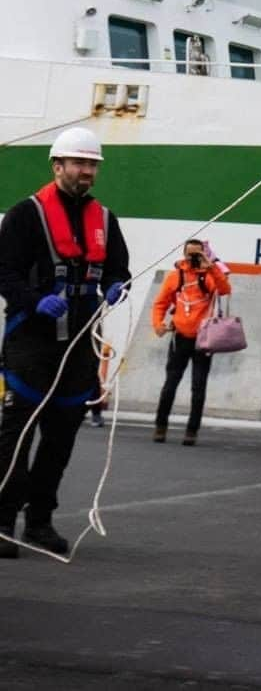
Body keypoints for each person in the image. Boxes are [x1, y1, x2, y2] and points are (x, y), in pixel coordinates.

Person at [0, 128, 130, 559]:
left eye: (92, 165)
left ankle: (39, 520)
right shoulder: (23, 216)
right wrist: (35, 301)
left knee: (60, 439)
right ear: (57, 166)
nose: (87, 172)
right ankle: (2, 519)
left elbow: (119, 270)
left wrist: (115, 287)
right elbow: (4, 272)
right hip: (31, 342)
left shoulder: (105, 221)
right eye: (79, 163)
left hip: (77, 346)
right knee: (15, 436)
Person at [151, 237, 232, 445]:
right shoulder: (175, 276)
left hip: (204, 339)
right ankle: (161, 425)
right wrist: (159, 324)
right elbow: (160, 303)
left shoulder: (210, 275)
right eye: (190, 253)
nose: (193, 257)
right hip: (180, 337)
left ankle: (192, 430)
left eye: (198, 253)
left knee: (199, 386)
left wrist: (210, 266)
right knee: (170, 384)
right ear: (184, 253)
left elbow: (224, 290)